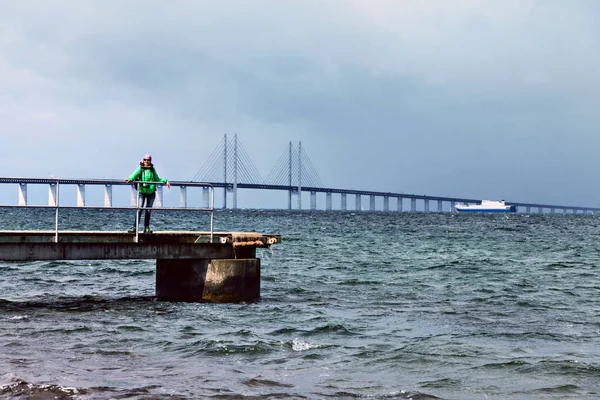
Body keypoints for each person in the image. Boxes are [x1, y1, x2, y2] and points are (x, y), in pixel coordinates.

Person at [125, 154, 170, 233]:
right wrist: (129, 179)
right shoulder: (140, 168)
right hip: (142, 192)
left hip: (151, 192)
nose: (146, 161)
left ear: (150, 161)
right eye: (145, 160)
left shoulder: (152, 169)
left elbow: (157, 179)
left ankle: (146, 228)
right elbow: (134, 174)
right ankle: (135, 227)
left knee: (148, 210)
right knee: (139, 210)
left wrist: (165, 181)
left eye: (148, 160)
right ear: (143, 160)